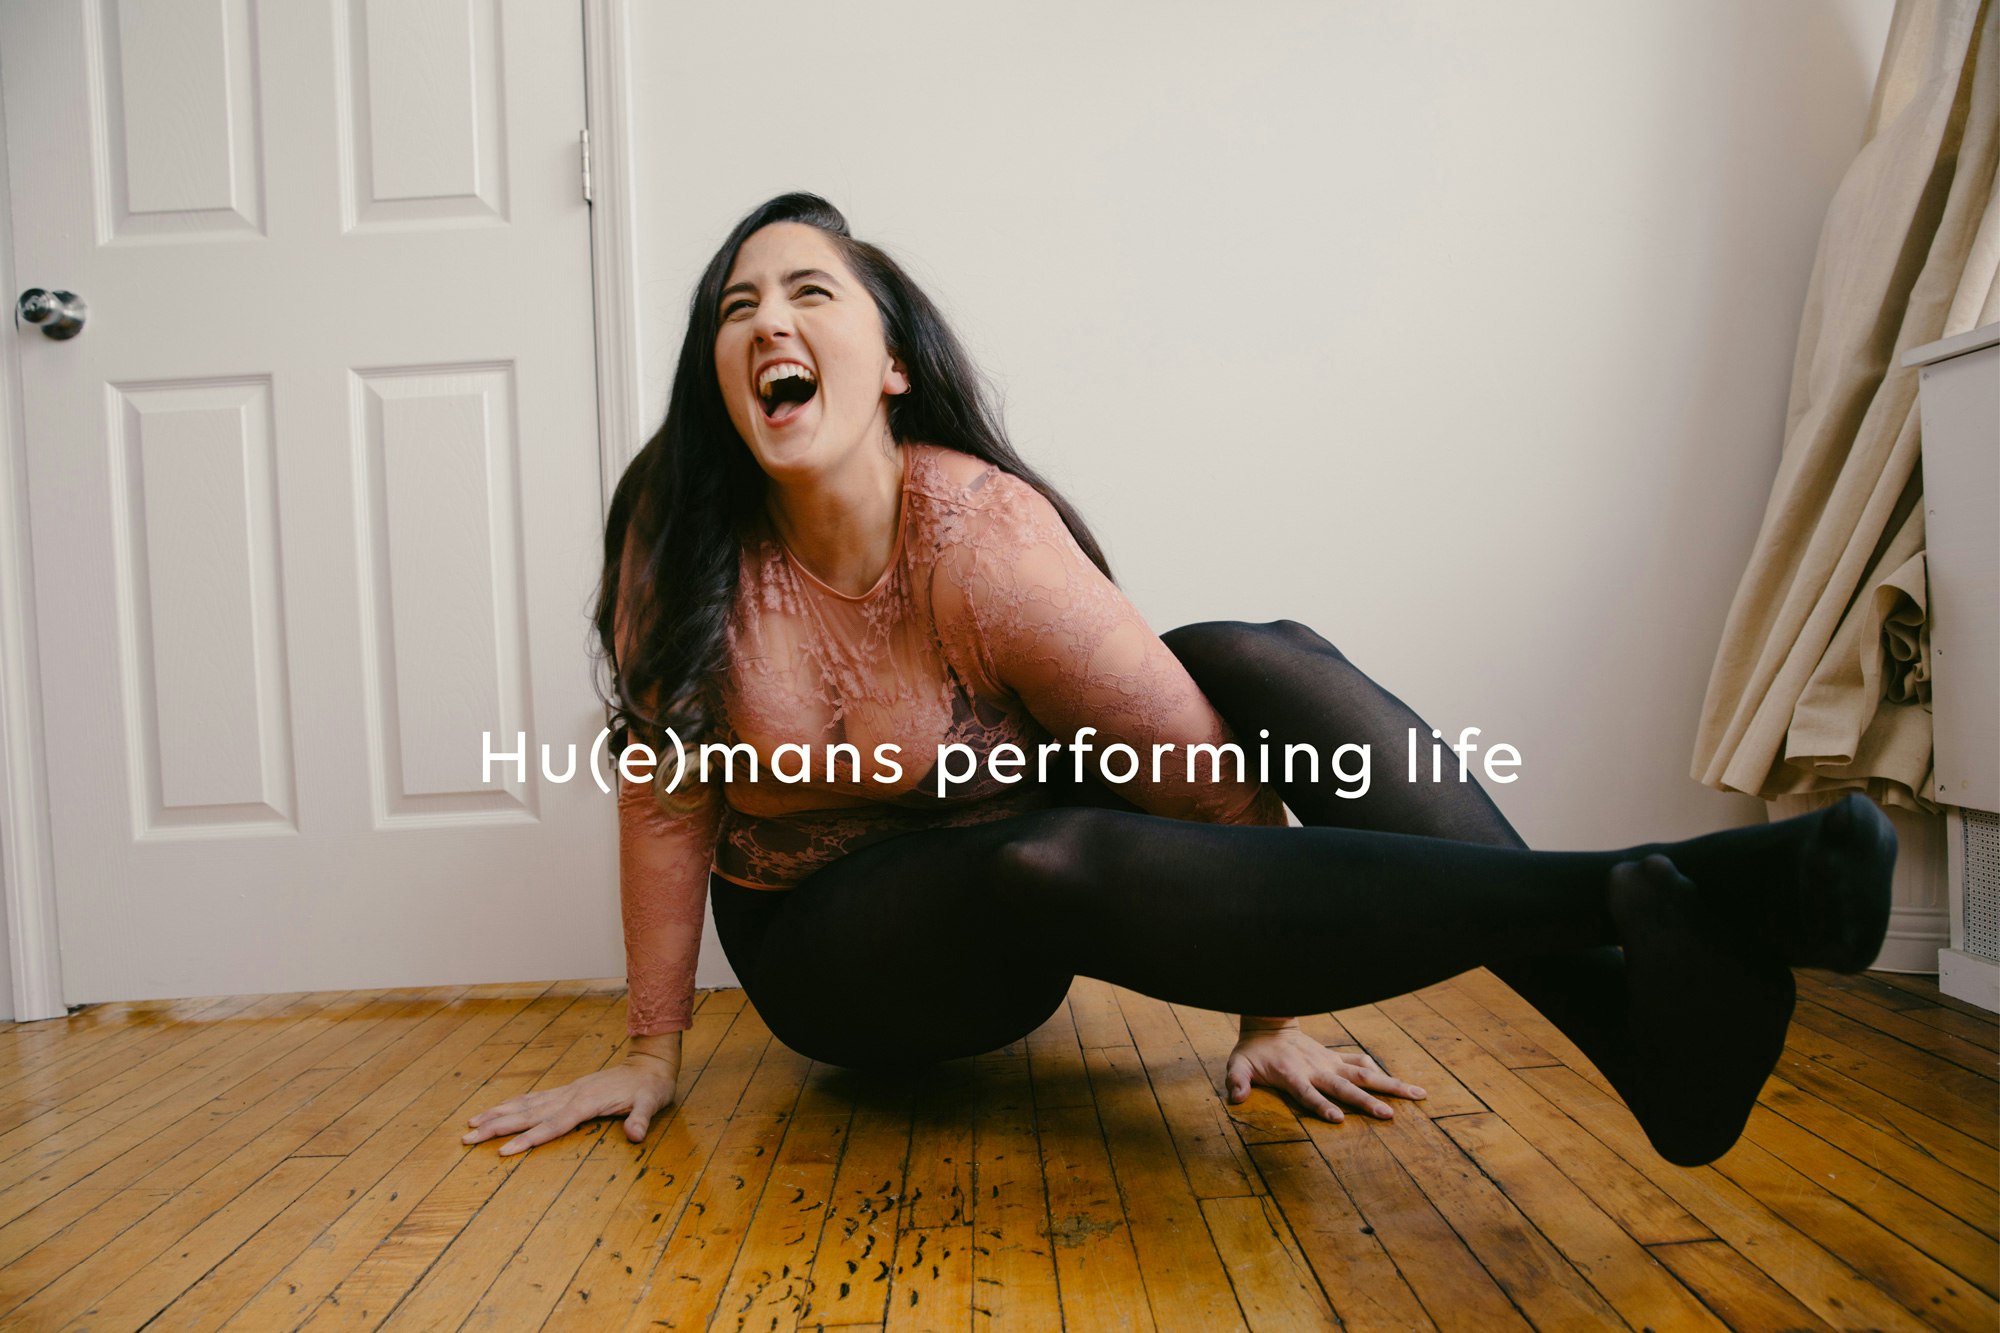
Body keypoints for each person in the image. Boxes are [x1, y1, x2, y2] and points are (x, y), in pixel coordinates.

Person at [464, 193, 1895, 1171]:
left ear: (889, 362)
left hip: (1023, 881)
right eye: (736, 306)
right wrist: (653, 1052)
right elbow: (664, 791)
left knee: (1246, 658)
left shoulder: (986, 535)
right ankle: (1666, 887)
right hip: (834, 962)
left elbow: (1192, 761)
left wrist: (1269, 1010)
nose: (767, 322)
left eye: (809, 292)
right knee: (1041, 846)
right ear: (720, 369)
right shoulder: (684, 524)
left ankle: (1634, 1028)